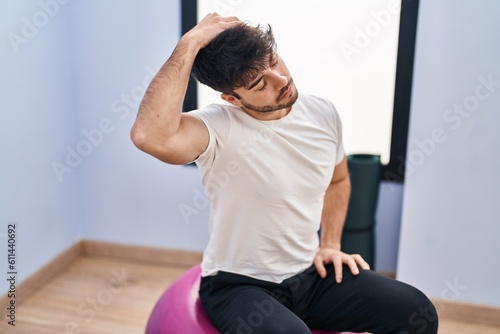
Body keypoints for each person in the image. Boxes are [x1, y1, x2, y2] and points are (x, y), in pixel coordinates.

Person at [131, 13, 438, 334]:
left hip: (311, 276)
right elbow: (148, 136)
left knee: (417, 313)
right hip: (239, 286)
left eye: (274, 61)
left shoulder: (323, 113)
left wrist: (330, 244)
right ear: (232, 99)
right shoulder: (217, 128)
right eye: (259, 84)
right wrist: (189, 43)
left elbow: (338, 180)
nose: (280, 80)